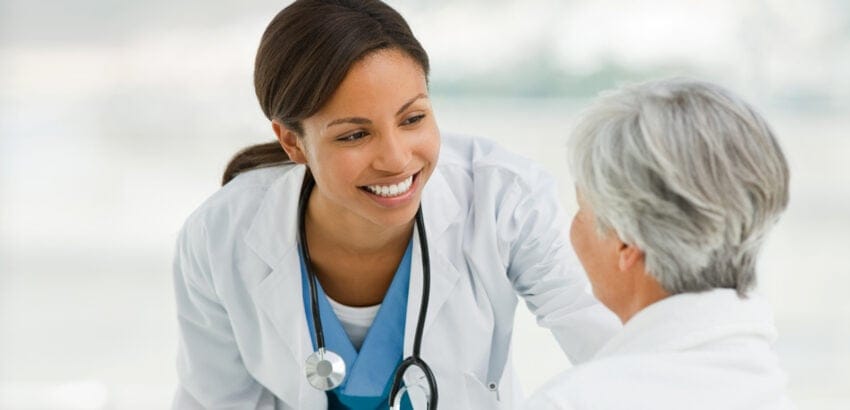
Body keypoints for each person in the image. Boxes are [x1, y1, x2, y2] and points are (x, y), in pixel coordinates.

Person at [171, 0, 619, 408]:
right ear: (292, 142)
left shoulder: (505, 201)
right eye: (354, 135)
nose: (397, 158)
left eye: (413, 119)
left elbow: (620, 352)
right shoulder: (219, 238)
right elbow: (216, 400)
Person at [523, 79, 793, 409]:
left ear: (625, 244)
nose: (573, 226)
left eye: (581, 207)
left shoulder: (572, 401)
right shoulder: (766, 388)